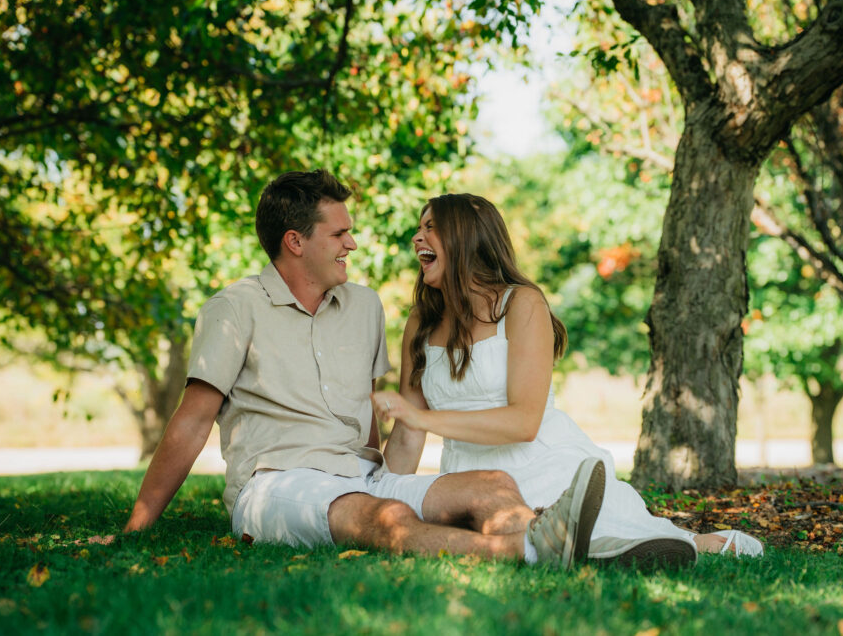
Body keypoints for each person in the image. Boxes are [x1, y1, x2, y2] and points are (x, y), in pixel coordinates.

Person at [123, 170, 608, 569]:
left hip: (363, 475)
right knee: (386, 517)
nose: (351, 243)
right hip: (278, 482)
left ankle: (544, 541)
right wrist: (136, 529)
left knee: (493, 486)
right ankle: (526, 550)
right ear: (295, 242)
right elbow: (192, 423)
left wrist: (397, 479)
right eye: (338, 234)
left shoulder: (363, 307)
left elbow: (369, 416)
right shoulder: (233, 309)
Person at [372, 193, 764, 563]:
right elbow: (407, 432)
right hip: (466, 477)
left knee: (600, 536)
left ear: (466, 237)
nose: (417, 237)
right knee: (502, 538)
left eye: (430, 227)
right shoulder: (421, 321)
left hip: (543, 465)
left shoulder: (522, 304)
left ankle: (693, 543)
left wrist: (422, 418)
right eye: (418, 228)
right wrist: (377, 499)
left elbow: (524, 423)